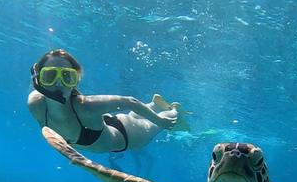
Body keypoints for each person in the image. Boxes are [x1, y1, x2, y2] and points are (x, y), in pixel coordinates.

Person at [27, 49, 190, 154]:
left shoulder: (85, 106)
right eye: (50, 76)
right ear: (39, 80)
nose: (58, 83)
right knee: (135, 118)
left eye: (66, 77)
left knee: (156, 126)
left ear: (75, 82)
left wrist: (159, 120)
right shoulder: (35, 103)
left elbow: (130, 101)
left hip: (127, 135)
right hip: (110, 123)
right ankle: (153, 104)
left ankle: (175, 110)